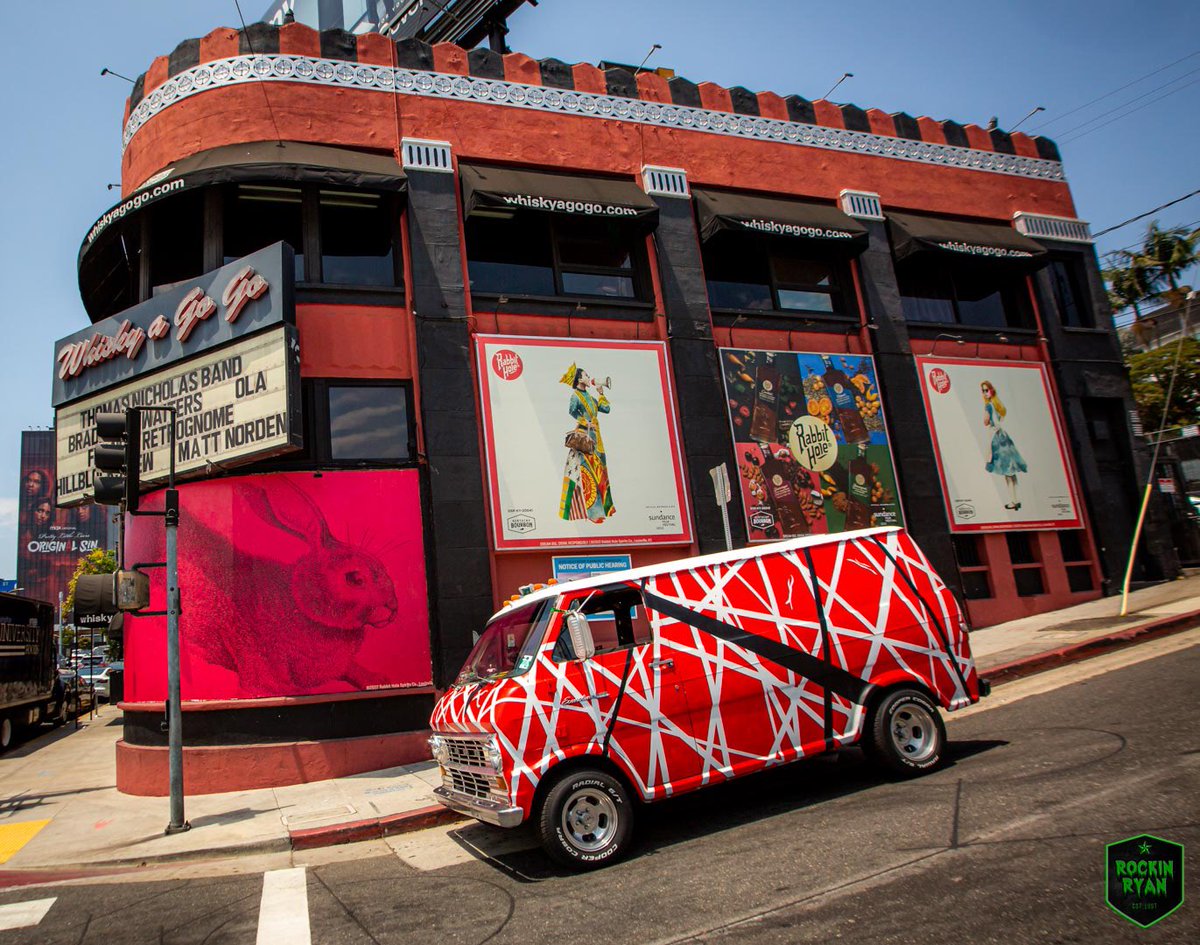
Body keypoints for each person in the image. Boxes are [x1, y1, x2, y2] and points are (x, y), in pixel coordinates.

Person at [558, 363, 615, 524]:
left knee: (600, 470)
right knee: (587, 473)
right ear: (579, 379)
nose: (589, 377)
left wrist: (601, 393)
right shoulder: (576, 396)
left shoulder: (590, 397)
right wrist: (584, 421)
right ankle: (593, 512)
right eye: (586, 375)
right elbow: (572, 411)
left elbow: (606, 409)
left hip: (597, 437)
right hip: (584, 437)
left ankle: (605, 508)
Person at [981, 380, 1028, 511]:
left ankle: (1014, 501)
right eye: (983, 391)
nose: (985, 393)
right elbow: (1001, 419)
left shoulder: (989, 406)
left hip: (997, 439)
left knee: (1007, 472)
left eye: (986, 390)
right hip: (1005, 438)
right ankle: (1017, 500)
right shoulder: (998, 405)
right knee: (1012, 472)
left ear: (992, 390)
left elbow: (985, 422)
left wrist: (988, 420)